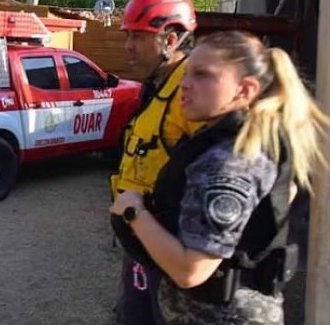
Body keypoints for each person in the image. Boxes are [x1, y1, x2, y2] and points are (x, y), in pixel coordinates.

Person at [110, 30, 328, 324]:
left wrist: (133, 211)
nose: (184, 84)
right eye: (187, 73)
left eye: (203, 75)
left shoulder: (229, 163)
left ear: (245, 90)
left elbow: (190, 271)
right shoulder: (245, 143)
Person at [110, 0, 203, 324]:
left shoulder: (192, 93)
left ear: (171, 39)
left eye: (137, 37)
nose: (128, 47)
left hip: (172, 253)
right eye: (128, 36)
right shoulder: (157, 85)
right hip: (144, 246)